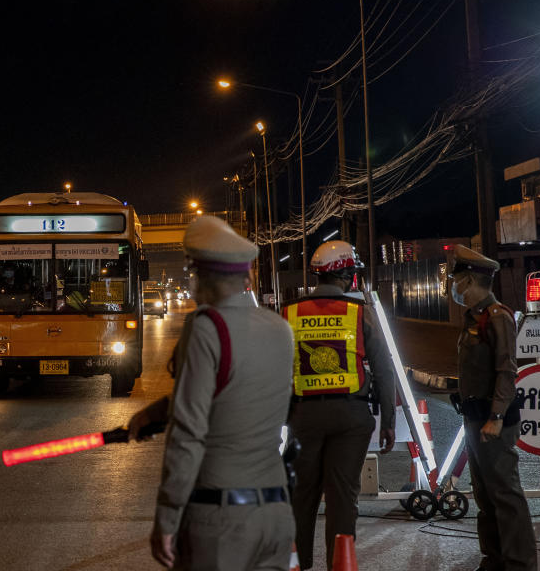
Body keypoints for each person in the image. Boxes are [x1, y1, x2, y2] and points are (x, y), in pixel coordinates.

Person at [128, 215, 295, 570]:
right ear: (245, 275)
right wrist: (159, 412)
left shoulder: (206, 327)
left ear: (198, 276)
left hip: (221, 521)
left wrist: (167, 517)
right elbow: (236, 394)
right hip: (276, 515)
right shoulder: (279, 328)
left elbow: (188, 433)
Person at [282, 241, 395, 570]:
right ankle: (339, 565)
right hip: (351, 418)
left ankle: (297, 564)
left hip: (303, 418)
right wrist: (388, 419)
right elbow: (384, 370)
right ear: (346, 274)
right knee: (342, 497)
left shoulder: (288, 313)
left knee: (301, 497)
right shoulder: (360, 312)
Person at [449, 244, 536, 571]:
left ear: (470, 281)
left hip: (492, 418)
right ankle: (494, 559)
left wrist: (497, 417)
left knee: (505, 495)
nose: (455, 288)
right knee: (485, 495)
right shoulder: (474, 318)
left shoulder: (498, 317)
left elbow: (506, 371)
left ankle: (519, 563)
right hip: (474, 417)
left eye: (458, 281)